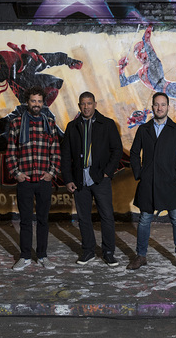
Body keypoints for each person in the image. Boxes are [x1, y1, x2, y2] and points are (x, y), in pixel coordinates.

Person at [127, 92, 176, 273]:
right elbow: (134, 154)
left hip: (170, 184)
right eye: (157, 104)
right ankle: (141, 256)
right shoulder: (143, 130)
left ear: (168, 107)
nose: (160, 108)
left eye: (163, 104)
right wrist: (140, 173)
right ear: (152, 107)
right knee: (144, 220)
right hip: (148, 183)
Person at [61, 92, 123, 267]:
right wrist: (68, 179)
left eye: (89, 103)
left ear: (95, 104)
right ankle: (88, 251)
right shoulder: (72, 126)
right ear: (79, 106)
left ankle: (109, 252)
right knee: (83, 217)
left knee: (106, 216)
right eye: (83, 104)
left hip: (100, 178)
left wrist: (107, 172)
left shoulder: (107, 124)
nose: (86, 107)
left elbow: (117, 150)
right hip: (79, 178)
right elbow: (65, 156)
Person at [6, 86, 61, 271]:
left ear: (43, 103)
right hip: (25, 181)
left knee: (44, 220)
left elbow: (55, 151)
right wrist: (17, 173)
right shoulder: (16, 123)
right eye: (33, 101)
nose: (36, 104)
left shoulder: (49, 123)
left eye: (39, 101)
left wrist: (52, 173)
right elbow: (11, 152)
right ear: (27, 102)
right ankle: (25, 256)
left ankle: (43, 255)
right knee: (25, 220)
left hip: (44, 180)